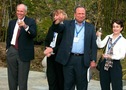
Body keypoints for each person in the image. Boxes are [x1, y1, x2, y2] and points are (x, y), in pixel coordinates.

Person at [51, 6, 97, 90]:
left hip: (82, 60)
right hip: (68, 59)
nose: (81, 15)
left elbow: (93, 45)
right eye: (79, 13)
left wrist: (93, 59)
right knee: (68, 84)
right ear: (75, 14)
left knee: (82, 85)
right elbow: (56, 29)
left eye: (83, 13)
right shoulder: (67, 24)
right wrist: (57, 21)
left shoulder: (90, 27)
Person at [6, 4, 37, 90]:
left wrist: (25, 26)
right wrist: (8, 49)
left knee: (22, 80)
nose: (19, 13)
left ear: (25, 12)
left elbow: (33, 34)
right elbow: (9, 36)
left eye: (21, 11)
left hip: (24, 54)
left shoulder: (31, 22)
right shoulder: (12, 22)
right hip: (12, 51)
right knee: (12, 78)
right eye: (18, 11)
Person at [96, 19, 126, 90]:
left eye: (117, 27)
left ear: (121, 28)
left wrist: (111, 56)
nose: (115, 28)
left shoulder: (123, 41)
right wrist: (98, 37)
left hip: (115, 64)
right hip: (105, 63)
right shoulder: (108, 37)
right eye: (114, 26)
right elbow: (100, 45)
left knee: (117, 86)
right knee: (104, 85)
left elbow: (122, 55)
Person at [43, 9, 67, 90]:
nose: (56, 17)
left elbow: (64, 44)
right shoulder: (52, 27)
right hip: (50, 57)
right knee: (51, 80)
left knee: (60, 81)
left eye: (58, 15)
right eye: (55, 15)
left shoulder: (66, 28)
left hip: (59, 58)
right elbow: (47, 40)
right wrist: (47, 49)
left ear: (63, 16)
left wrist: (52, 50)